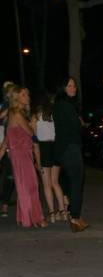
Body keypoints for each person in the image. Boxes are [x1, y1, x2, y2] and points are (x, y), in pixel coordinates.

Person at [0, 86, 47, 228]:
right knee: (30, 186)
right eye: (23, 94)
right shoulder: (16, 114)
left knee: (26, 185)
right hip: (20, 154)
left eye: (28, 94)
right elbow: (31, 133)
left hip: (22, 154)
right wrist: (33, 124)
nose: (27, 97)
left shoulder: (15, 114)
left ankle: (24, 217)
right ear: (17, 98)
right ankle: (36, 219)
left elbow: (6, 140)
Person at [53, 77, 88, 232]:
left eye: (74, 86)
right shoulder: (66, 105)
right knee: (77, 182)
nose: (74, 88)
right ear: (63, 88)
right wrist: (79, 123)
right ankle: (75, 217)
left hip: (64, 149)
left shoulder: (59, 105)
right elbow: (75, 126)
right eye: (70, 86)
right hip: (70, 148)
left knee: (70, 181)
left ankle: (72, 214)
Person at [31, 92, 66, 223]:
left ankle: (52, 213)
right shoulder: (53, 116)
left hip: (44, 149)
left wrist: (37, 160)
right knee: (55, 182)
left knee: (46, 185)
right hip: (55, 148)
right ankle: (62, 211)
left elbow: (34, 139)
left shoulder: (35, 117)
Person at [0, 81, 16, 218]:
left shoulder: (19, 105)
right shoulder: (4, 105)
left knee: (13, 176)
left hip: (16, 145)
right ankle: (4, 202)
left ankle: (6, 203)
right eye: (7, 90)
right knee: (7, 175)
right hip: (5, 144)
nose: (9, 92)